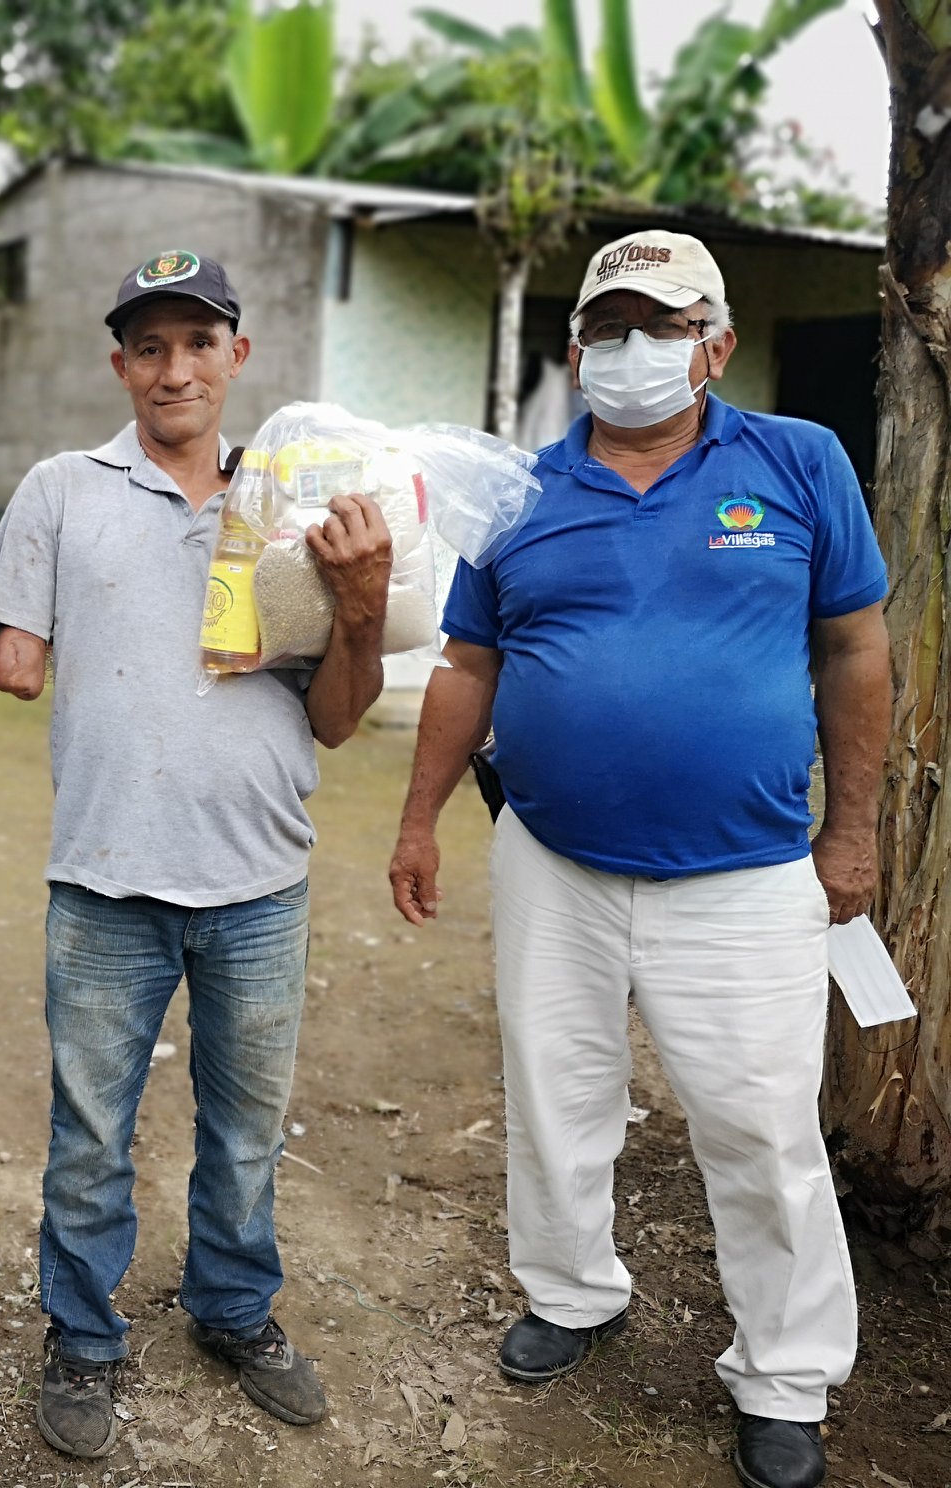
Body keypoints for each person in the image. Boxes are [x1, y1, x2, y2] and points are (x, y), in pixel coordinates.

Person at [387, 230, 889, 1488]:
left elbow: (853, 648)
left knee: (759, 1125)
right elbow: (467, 663)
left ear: (715, 344)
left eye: (659, 326)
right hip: (551, 858)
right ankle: (570, 1291)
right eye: (607, 329)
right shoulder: (519, 492)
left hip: (746, 870)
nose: (630, 351)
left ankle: (783, 1373)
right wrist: (416, 818)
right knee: (555, 1090)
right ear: (574, 351)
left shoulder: (798, 461)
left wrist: (853, 830)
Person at [0, 251, 393, 1459]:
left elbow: (336, 718)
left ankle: (233, 1310)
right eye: (149, 348)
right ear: (121, 365)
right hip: (103, 878)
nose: (174, 371)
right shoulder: (62, 489)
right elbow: (13, 661)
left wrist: (359, 604)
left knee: (246, 1129)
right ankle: (82, 1337)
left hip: (258, 884)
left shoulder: (294, 509)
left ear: (236, 357)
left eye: (199, 344)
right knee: (89, 1134)